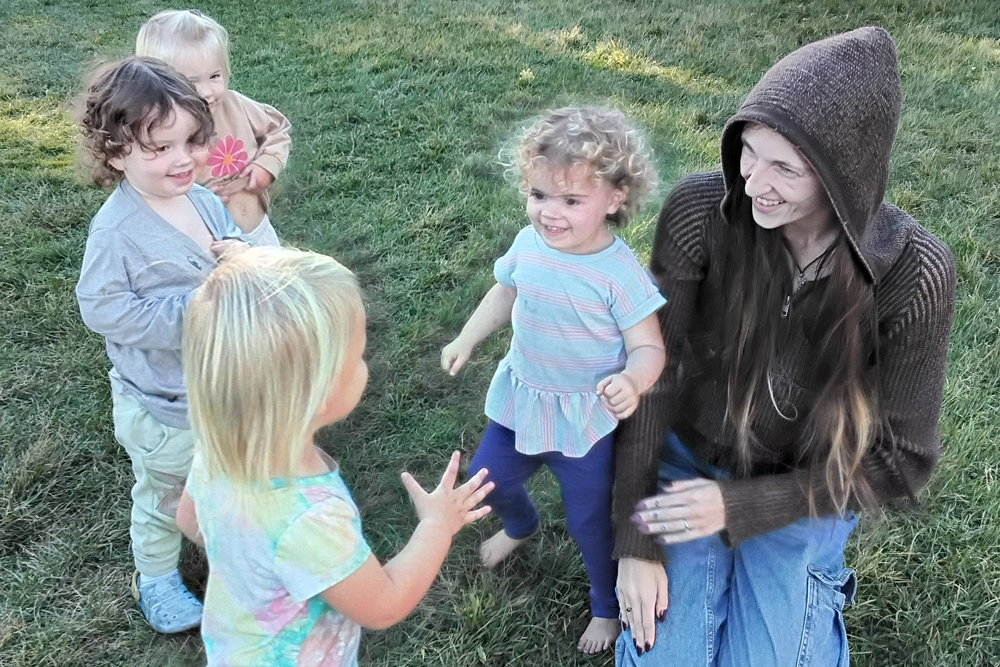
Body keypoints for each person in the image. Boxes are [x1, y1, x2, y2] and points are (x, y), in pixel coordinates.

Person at [611, 27, 957, 666]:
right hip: (685, 467)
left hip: (806, 485)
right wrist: (634, 539)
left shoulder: (915, 273)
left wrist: (746, 505)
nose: (752, 183)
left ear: (843, 178)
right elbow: (652, 372)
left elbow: (904, 460)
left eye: (785, 169)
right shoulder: (699, 210)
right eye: (748, 151)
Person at [175, 246, 493, 666]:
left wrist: (256, 563)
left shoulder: (219, 453)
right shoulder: (309, 519)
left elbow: (188, 518)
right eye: (358, 356)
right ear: (318, 392)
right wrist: (437, 524)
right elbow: (384, 603)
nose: (366, 365)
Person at [441, 106, 667, 653]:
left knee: (590, 521)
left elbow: (649, 346)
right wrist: (467, 339)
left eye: (571, 200)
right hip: (522, 399)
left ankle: (605, 607)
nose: (550, 213)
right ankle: (520, 526)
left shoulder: (620, 273)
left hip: (584, 420)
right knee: (488, 479)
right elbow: (505, 292)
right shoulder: (528, 243)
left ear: (614, 199)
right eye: (540, 195)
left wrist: (633, 382)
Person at [75, 56, 271, 633]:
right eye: (159, 149)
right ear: (115, 153)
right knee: (166, 495)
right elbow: (101, 308)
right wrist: (188, 312)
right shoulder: (117, 232)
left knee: (229, 476)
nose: (183, 160)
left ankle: (235, 544)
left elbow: (230, 240)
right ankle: (157, 577)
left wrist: (239, 254)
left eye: (191, 141)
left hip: (220, 385)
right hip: (163, 403)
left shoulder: (202, 199)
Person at [136, 8, 291, 246]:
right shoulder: (160, 133)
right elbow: (152, 190)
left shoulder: (235, 106)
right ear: (157, 82)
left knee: (279, 282)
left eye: (215, 76)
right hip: (211, 243)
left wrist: (267, 164)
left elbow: (277, 128)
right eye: (191, 82)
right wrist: (199, 200)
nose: (207, 92)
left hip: (259, 233)